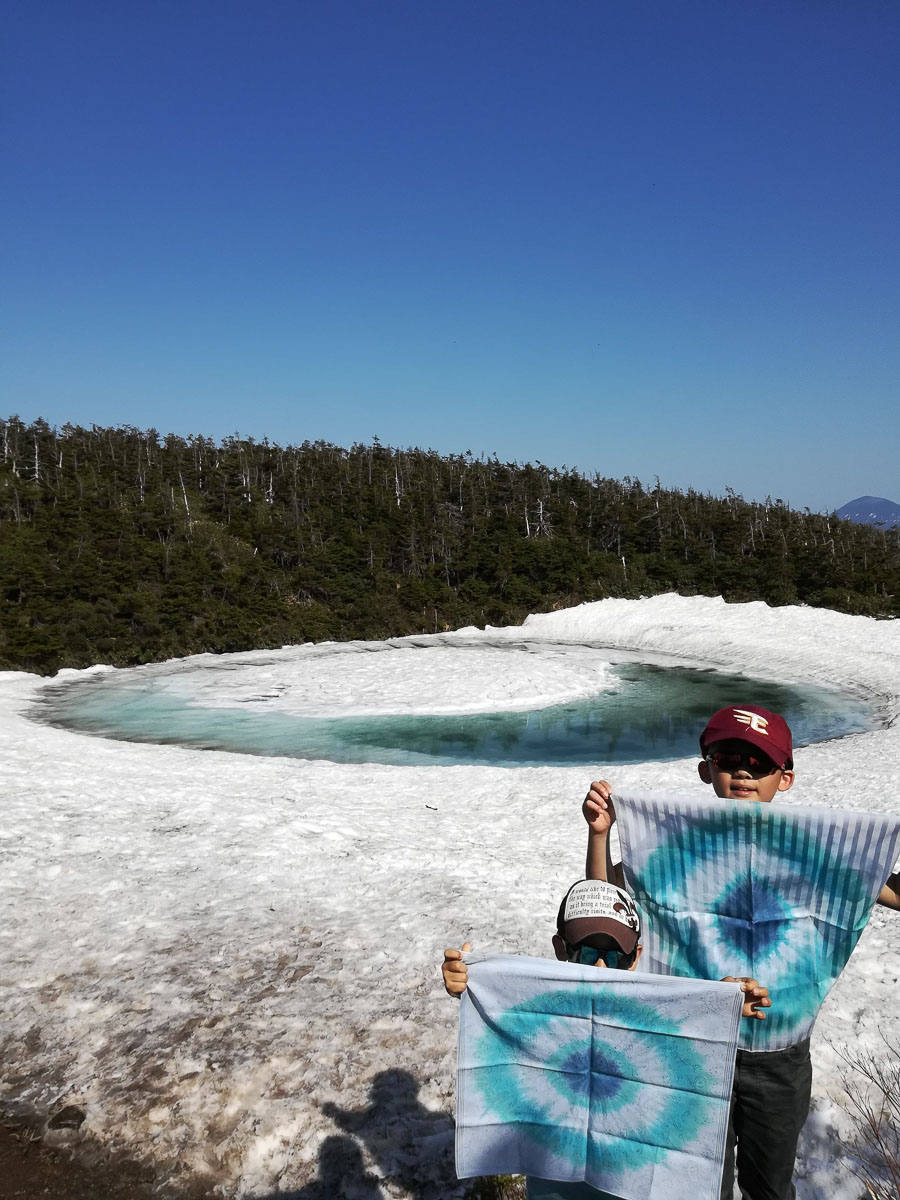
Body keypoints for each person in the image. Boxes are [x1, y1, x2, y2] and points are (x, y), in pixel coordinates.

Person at [582, 703, 900, 1200]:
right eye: (730, 759)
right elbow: (605, 903)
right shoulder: (678, 841)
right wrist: (599, 834)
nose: (745, 773)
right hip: (695, 1042)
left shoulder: (808, 846)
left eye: (761, 764)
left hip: (778, 1053)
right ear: (706, 769)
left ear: (785, 778)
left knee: (769, 1185)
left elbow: (888, 892)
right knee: (695, 1180)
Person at [443, 877, 770, 1200]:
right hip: (554, 1179)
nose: (601, 966)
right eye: (587, 953)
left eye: (616, 956)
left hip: (629, 1183)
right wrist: (470, 981)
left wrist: (721, 1002)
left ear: (636, 956)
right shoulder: (543, 1003)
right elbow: (505, 1008)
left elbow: (686, 1021)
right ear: (561, 949)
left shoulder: (646, 1008)